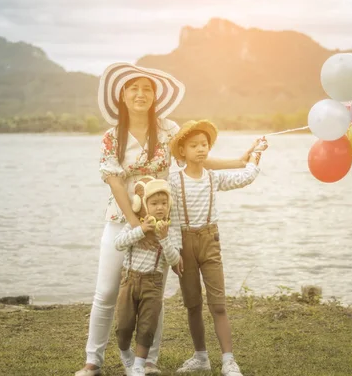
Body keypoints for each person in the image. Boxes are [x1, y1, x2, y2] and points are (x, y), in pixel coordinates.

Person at [76, 63, 262, 376]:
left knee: (153, 292)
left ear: (155, 96)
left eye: (147, 88)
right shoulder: (111, 137)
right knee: (107, 291)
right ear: (122, 95)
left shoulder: (167, 129)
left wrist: (238, 160)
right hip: (122, 220)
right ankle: (93, 361)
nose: (140, 94)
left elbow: (194, 157)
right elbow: (115, 182)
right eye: (133, 88)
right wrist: (137, 226)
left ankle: (148, 361)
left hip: (163, 221)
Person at [166, 120, 265, 376]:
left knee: (218, 304)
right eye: (194, 145)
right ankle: (201, 357)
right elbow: (173, 219)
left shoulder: (214, 178)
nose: (201, 149)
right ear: (182, 152)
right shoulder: (174, 181)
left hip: (211, 243)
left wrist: (256, 155)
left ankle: (228, 361)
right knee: (193, 304)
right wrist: (175, 251)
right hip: (185, 245)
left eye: (204, 145)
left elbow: (245, 177)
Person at [114, 177, 181, 376]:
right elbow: (119, 244)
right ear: (145, 205)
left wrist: (165, 238)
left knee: (147, 327)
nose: (160, 208)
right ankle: (126, 353)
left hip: (153, 284)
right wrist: (141, 231)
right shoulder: (136, 226)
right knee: (124, 325)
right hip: (129, 281)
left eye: (164, 203)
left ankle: (138, 366)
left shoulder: (170, 231)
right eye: (154, 203)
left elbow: (174, 259)